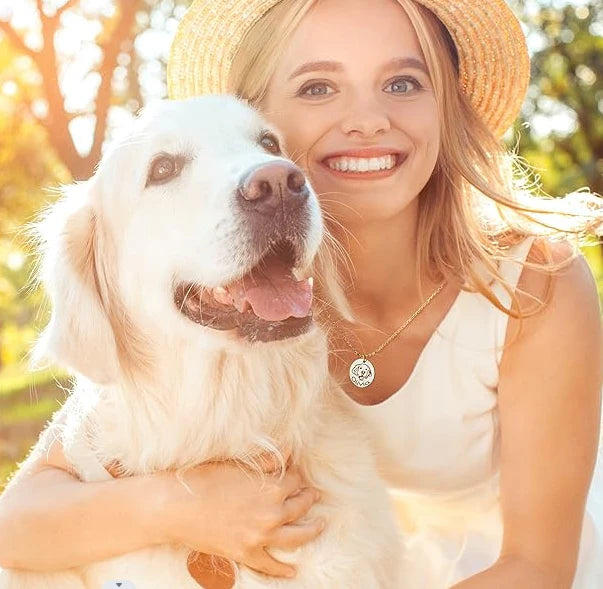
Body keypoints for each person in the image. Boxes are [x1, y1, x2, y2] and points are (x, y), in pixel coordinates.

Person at [1, 0, 602, 587]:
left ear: (445, 107)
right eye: (318, 87)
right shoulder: (224, 310)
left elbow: (539, 566)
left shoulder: (532, 288)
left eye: (402, 83)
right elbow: (17, 520)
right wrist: (179, 506)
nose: (368, 119)